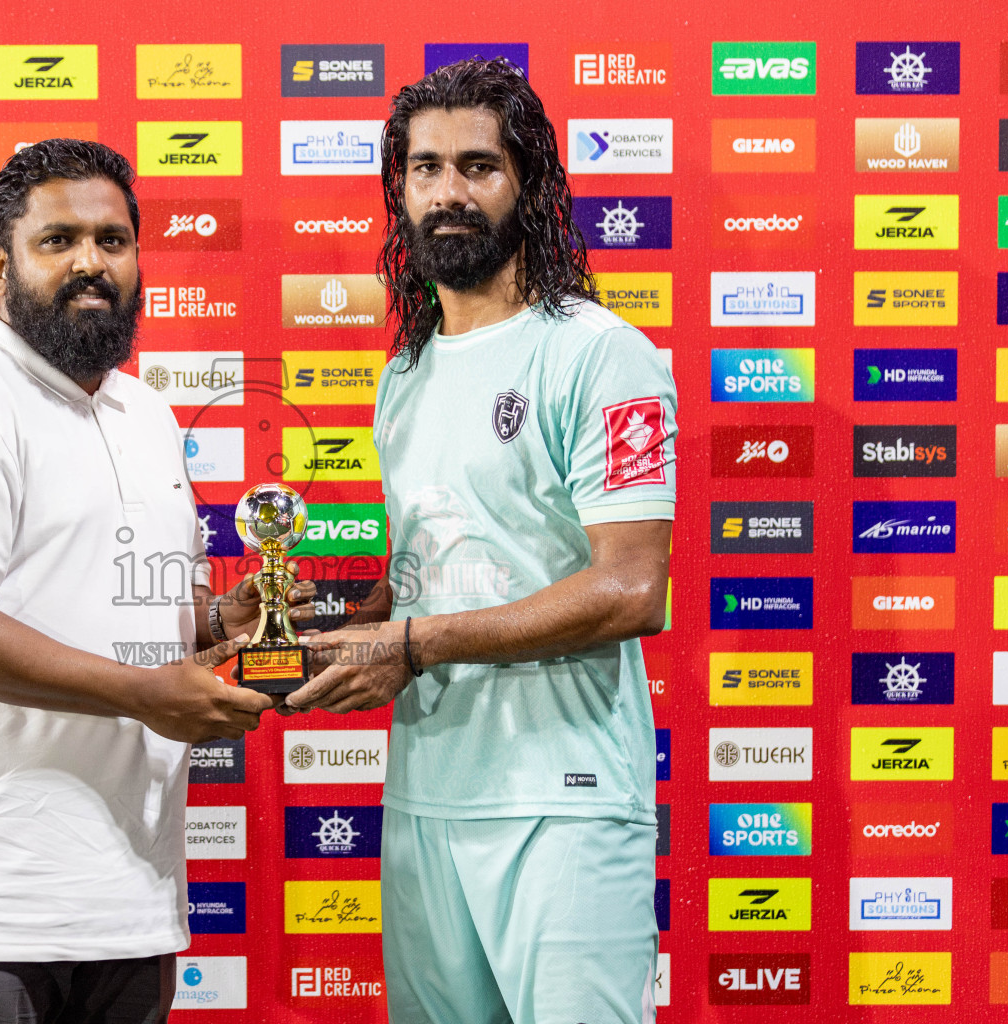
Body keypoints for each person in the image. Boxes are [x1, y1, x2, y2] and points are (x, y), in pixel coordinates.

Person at [0, 139, 309, 1024]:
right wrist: (145, 696)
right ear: (1, 264)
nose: (89, 263)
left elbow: (155, 619)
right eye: (57, 240)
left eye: (112, 241)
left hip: (131, 895)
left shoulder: (145, 413)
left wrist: (235, 617)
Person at [286, 59, 676, 1024]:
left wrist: (411, 646)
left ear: (528, 184)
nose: (447, 193)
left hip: (566, 802)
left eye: (476, 166)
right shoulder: (405, 376)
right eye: (423, 170)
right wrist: (342, 625)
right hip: (428, 797)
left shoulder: (599, 352)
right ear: (399, 192)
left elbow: (632, 591)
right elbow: (434, 578)